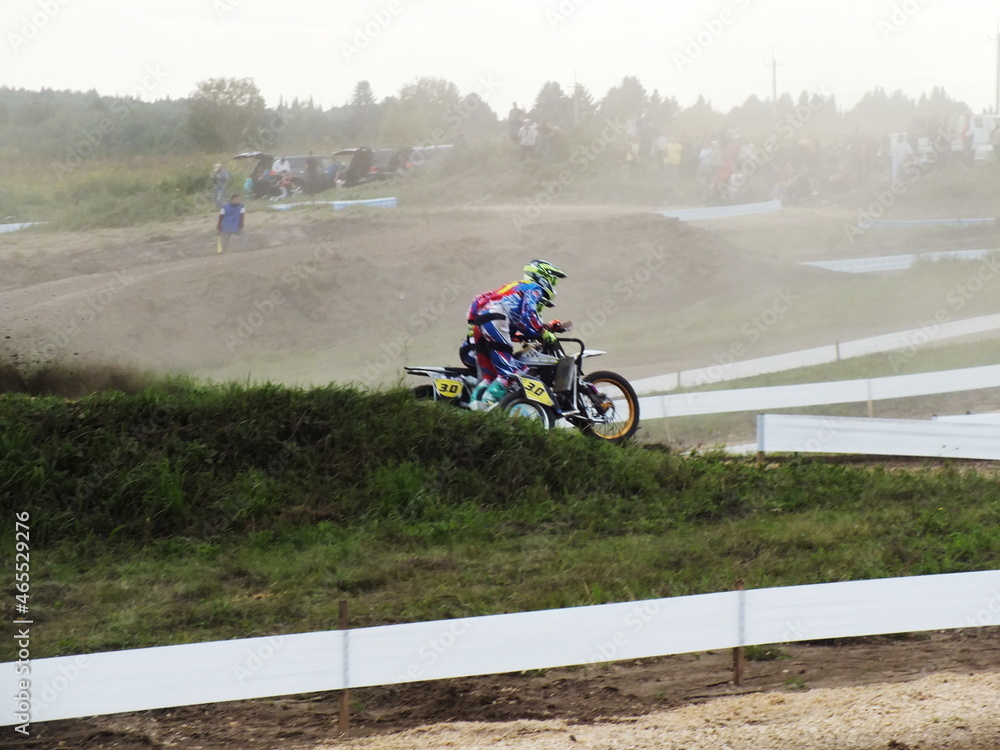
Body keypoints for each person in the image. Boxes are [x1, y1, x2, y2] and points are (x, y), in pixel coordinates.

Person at [466, 259, 567, 408]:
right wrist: (543, 331)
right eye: (553, 280)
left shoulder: (513, 286)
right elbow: (529, 313)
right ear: (544, 276)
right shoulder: (534, 288)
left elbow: (478, 299)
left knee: (489, 375)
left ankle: (474, 408)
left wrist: (471, 324)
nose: (554, 284)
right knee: (512, 372)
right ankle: (489, 406)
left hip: (480, 323)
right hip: (497, 318)